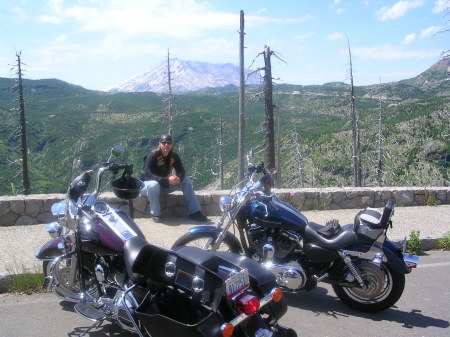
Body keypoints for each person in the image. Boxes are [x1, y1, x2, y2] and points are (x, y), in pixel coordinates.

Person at [140, 134, 209, 223]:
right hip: (147, 187)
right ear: (159, 144)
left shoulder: (173, 156)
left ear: (171, 145)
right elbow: (147, 174)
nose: (166, 145)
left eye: (168, 143)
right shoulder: (152, 155)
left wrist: (178, 178)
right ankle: (155, 214)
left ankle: (195, 212)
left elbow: (181, 171)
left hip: (161, 186)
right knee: (154, 185)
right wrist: (166, 180)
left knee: (186, 180)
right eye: (164, 143)